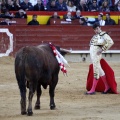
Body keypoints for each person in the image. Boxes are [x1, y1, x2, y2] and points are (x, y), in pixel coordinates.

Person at [86, 23, 114, 95]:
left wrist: (102, 50)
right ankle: (107, 87)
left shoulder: (104, 35)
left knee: (96, 71)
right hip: (93, 55)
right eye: (95, 29)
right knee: (100, 71)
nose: (96, 30)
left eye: (97, 28)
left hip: (96, 56)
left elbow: (111, 42)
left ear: (100, 27)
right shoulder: (96, 36)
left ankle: (93, 89)